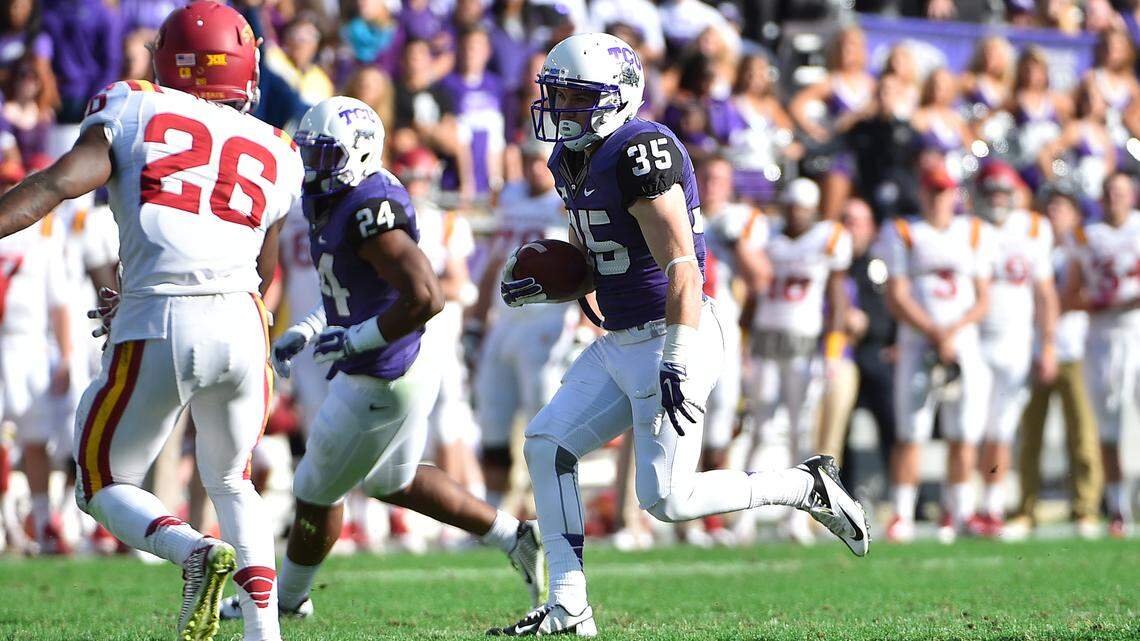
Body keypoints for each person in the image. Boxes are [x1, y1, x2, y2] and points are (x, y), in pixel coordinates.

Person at [491, 33, 867, 636]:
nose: (560, 110)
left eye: (575, 98)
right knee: (546, 443)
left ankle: (805, 486)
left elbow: (683, 268)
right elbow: (602, 260)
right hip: (622, 338)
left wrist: (677, 355)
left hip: (677, 326)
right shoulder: (572, 158)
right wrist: (557, 282)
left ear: (617, 98)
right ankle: (569, 607)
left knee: (668, 500)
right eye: (557, 96)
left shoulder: (641, 150)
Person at [0, 4, 304, 641]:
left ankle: (191, 551)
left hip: (162, 317)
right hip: (245, 326)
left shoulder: (133, 105)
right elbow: (262, 268)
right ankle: (264, 633)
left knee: (100, 480)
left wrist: (149, 294)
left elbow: (58, 183)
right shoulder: (279, 147)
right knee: (231, 477)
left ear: (172, 62)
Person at [240, 96, 544, 622]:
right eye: (308, 155)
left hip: (383, 372)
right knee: (391, 481)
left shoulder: (368, 209)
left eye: (325, 156)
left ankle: (287, 602)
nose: (313, 168)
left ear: (357, 155)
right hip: (399, 361)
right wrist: (310, 328)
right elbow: (353, 290)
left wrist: (354, 341)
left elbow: (426, 296)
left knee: (315, 488)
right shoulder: (334, 198)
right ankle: (513, 536)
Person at [878, 166, 993, 544]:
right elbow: (897, 295)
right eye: (932, 190)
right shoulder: (903, 230)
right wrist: (933, 332)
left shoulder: (974, 232)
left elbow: (983, 298)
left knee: (964, 432)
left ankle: (959, 511)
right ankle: (902, 513)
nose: (938, 198)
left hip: (962, 343)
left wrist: (951, 333)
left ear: (955, 194)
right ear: (922, 193)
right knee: (912, 431)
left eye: (944, 191)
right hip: (918, 344)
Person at [737, 177, 852, 545]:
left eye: (802, 207)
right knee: (761, 429)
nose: (795, 213)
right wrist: (743, 344)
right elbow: (753, 297)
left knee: (801, 431)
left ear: (814, 209)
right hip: (766, 342)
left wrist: (833, 351)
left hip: (804, 344)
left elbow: (837, 300)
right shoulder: (767, 235)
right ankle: (745, 517)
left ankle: (797, 517)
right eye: (791, 206)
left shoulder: (828, 238)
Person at [472, 137, 577, 510]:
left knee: (545, 419)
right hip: (505, 323)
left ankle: (548, 505)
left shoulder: (566, 203)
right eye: (530, 160)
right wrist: (476, 322)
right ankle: (493, 511)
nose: (536, 168)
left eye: (542, 161)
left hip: (547, 322)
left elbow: (585, 265)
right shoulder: (510, 199)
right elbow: (493, 264)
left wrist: (588, 323)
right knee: (492, 418)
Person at [1004, 181, 1102, 540]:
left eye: (1062, 207)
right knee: (1030, 435)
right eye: (1050, 207)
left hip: (1076, 348)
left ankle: (1086, 508)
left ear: (1076, 214)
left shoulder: (1085, 247)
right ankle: (1024, 509)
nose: (1054, 212)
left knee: (1083, 434)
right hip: (1032, 348)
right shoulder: (1030, 244)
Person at [972, 161, 1058, 536]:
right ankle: (961, 504)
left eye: (1003, 191)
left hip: (1014, 340)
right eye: (990, 192)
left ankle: (990, 505)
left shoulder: (1035, 228)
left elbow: (1045, 292)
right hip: (973, 341)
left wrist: (1049, 344)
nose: (997, 199)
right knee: (970, 427)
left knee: (1001, 428)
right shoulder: (968, 229)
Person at [1062, 171, 1140, 538]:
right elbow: (1068, 295)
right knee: (1108, 425)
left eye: (1121, 192)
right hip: (1103, 334)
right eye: (1109, 192)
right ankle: (1118, 508)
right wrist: (1100, 301)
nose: (1115, 199)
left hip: (1137, 329)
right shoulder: (1085, 235)